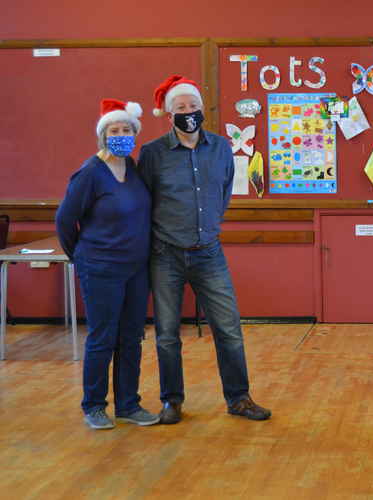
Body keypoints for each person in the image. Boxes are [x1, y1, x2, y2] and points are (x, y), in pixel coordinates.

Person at [137, 75, 271, 424]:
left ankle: (238, 398)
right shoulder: (152, 154)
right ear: (169, 115)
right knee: (167, 334)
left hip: (209, 253)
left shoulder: (222, 148)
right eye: (180, 108)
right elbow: (144, 202)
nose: (188, 112)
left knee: (228, 328)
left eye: (193, 106)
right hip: (165, 254)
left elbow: (224, 192)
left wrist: (207, 225)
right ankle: (172, 401)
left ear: (202, 108)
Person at [56, 99, 159, 430]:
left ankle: (129, 404)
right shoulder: (90, 173)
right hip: (100, 268)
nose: (121, 134)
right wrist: (82, 256)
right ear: (103, 135)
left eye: (127, 129)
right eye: (114, 130)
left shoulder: (135, 171)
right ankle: (94, 406)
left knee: (131, 337)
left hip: (136, 270)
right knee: (102, 337)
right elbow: (64, 220)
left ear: (135, 134)